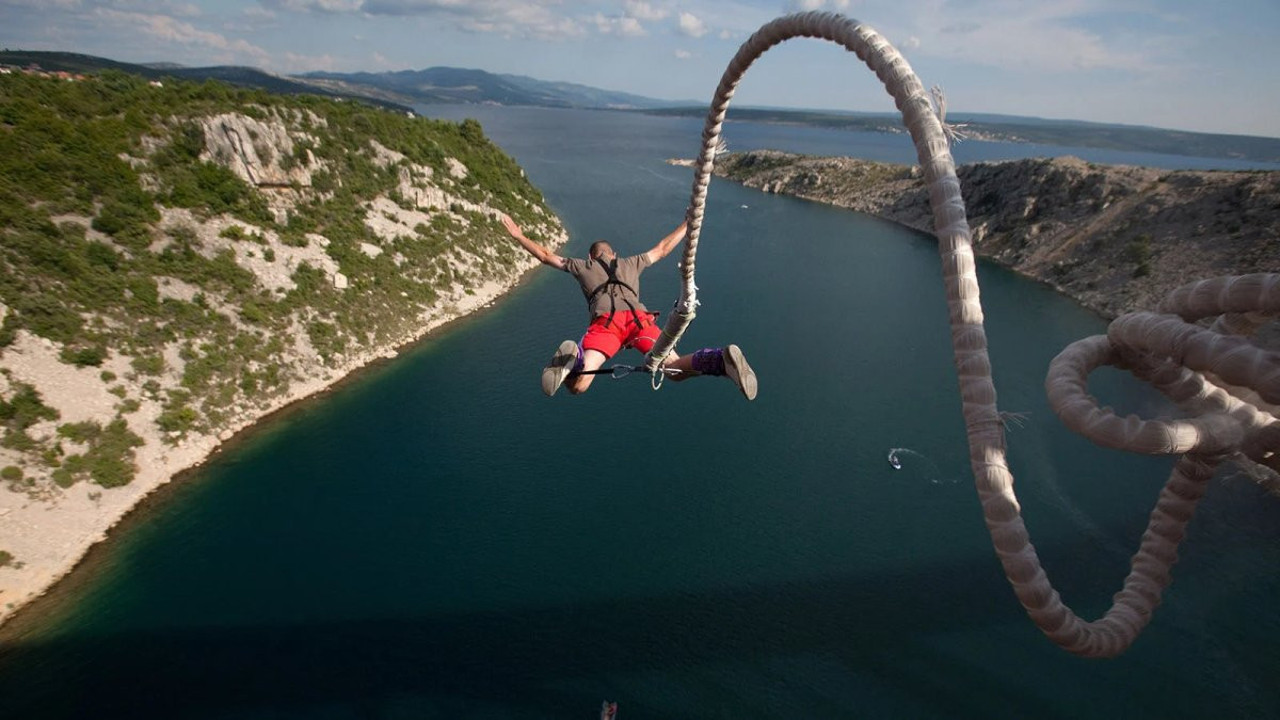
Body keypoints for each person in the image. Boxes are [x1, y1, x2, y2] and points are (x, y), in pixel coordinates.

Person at [500, 213, 757, 400]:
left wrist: (519, 235)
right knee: (674, 369)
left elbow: (546, 256)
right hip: (639, 322)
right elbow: (663, 249)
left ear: (592, 256)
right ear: (615, 254)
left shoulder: (582, 265)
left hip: (606, 325)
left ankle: (574, 359)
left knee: (579, 386)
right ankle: (719, 359)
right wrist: (689, 223)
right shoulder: (631, 262)